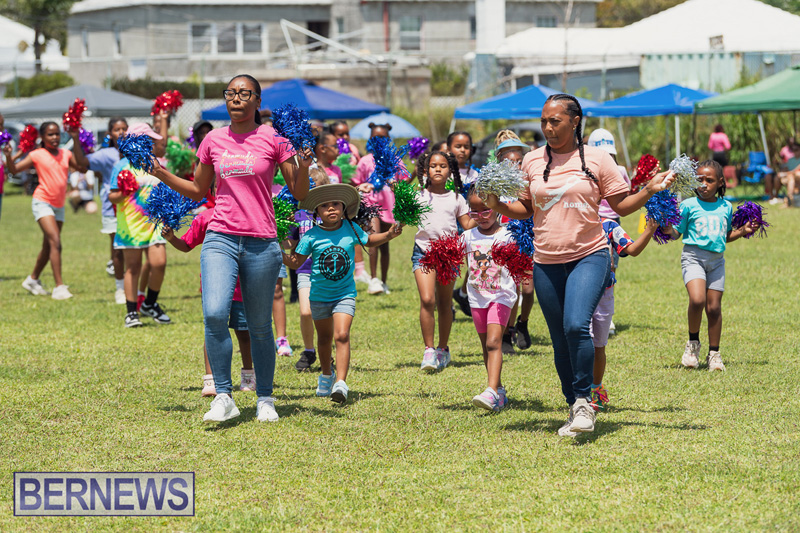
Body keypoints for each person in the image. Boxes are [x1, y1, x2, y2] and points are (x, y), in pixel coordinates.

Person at [485, 93, 675, 437]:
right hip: (545, 261)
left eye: (554, 121)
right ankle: (574, 405)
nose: (547, 127)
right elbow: (527, 209)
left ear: (575, 121)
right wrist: (496, 202)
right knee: (560, 340)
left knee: (576, 326)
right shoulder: (531, 161)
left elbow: (621, 203)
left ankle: (585, 401)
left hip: (590, 254)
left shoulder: (599, 159)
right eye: (544, 121)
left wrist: (648, 189)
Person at [151, 73, 312, 423]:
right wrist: (160, 172)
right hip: (220, 237)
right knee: (213, 313)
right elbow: (197, 190)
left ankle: (265, 398)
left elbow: (299, 194)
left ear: (257, 100)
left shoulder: (274, 138)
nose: (236, 98)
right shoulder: (212, 139)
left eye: (244, 93)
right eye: (230, 93)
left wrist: (304, 162)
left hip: (261, 240)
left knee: (258, 325)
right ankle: (223, 396)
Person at [282, 184, 402, 404]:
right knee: (325, 339)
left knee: (342, 335)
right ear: (316, 211)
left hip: (345, 294)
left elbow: (369, 240)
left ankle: (341, 382)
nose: (331, 209)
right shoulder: (311, 236)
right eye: (325, 206)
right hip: (318, 297)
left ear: (344, 207)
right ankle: (326, 374)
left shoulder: (351, 227)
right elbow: (296, 262)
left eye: (335, 204)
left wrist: (389, 234)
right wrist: (275, 252)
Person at [661, 160, 758, 372]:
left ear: (720, 182)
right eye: (700, 179)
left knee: (714, 308)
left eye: (710, 180)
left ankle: (714, 353)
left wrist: (742, 231)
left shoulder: (725, 207)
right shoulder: (688, 205)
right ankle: (692, 345)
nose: (703, 184)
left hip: (716, 262)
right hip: (693, 257)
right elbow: (678, 232)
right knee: (697, 300)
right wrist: (670, 230)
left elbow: (724, 236)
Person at [161, 209, 255, 397]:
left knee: (244, 333)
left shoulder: (248, 212)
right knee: (213, 330)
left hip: (242, 287)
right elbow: (187, 244)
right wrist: (172, 238)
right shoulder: (206, 217)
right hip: (214, 285)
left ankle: (248, 375)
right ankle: (211, 379)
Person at [412, 150, 473, 372]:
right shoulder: (418, 195)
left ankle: (443, 349)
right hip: (423, 252)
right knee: (427, 299)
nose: (438, 169)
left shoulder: (457, 198)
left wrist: (490, 213)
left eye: (443, 166)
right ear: (426, 170)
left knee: (444, 303)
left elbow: (467, 224)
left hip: (449, 254)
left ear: (451, 171)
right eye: (433, 166)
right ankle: (429, 350)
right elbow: (401, 216)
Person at [5, 121, 81, 300]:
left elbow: (82, 166)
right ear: (42, 137)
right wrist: (11, 155)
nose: (54, 138)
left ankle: (32, 279)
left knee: (49, 246)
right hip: (42, 202)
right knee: (55, 241)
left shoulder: (66, 153)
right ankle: (59, 287)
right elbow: (14, 169)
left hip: (59, 204)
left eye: (57, 134)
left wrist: (76, 140)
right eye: (50, 134)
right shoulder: (37, 154)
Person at [590, 217, 658, 410]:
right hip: (578, 291)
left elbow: (632, 249)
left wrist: (650, 229)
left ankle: (597, 388)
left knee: (599, 345)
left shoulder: (608, 225)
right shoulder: (569, 223)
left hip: (605, 292)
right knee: (581, 340)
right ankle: (581, 391)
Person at [108, 123, 171, 328]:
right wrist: (124, 191)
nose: (152, 144)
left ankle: (150, 303)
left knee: (159, 263)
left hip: (155, 223)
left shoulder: (156, 163)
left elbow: (166, 189)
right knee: (133, 268)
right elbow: (112, 197)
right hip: (131, 226)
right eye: (148, 140)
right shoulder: (122, 166)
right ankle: (131, 312)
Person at [463, 189, 514, 412]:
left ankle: (491, 390)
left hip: (501, 296)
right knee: (486, 346)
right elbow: (451, 256)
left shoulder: (507, 235)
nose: (481, 216)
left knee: (494, 342)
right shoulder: (467, 236)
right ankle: (499, 390)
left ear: (497, 208)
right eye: (474, 212)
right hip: (477, 297)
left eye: (486, 211)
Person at [71, 117, 129, 302]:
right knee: (118, 249)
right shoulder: (106, 154)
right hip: (112, 208)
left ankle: (133, 286)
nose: (121, 132)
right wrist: (74, 138)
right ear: (109, 134)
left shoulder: (135, 152)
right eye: (117, 129)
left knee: (133, 249)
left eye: (124, 128)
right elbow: (82, 161)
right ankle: (120, 288)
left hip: (133, 208)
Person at [351, 123, 407, 295]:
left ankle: (384, 281)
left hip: (389, 207)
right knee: (373, 237)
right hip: (371, 205)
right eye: (375, 138)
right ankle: (374, 279)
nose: (379, 141)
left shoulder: (396, 161)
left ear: (389, 139)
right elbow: (356, 181)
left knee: (385, 244)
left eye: (383, 138)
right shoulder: (366, 160)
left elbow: (403, 182)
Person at [587, 128, 632, 337]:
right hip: (591, 220)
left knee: (612, 265)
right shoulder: (586, 169)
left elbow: (626, 192)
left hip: (612, 222)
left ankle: (607, 314)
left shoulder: (620, 170)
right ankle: (589, 311)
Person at [493, 130, 535, 352]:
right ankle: (507, 333)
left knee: (528, 291)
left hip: (527, 239)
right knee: (511, 289)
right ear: (500, 162)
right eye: (510, 162)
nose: (516, 166)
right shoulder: (496, 186)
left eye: (520, 161)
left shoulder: (530, 182)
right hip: (505, 241)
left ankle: (523, 323)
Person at [287, 168, 331, 372]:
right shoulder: (299, 214)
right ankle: (309, 350)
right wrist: (277, 232)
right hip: (304, 269)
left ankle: (326, 351)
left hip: (327, 272)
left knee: (324, 315)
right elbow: (291, 242)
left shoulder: (331, 213)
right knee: (306, 312)